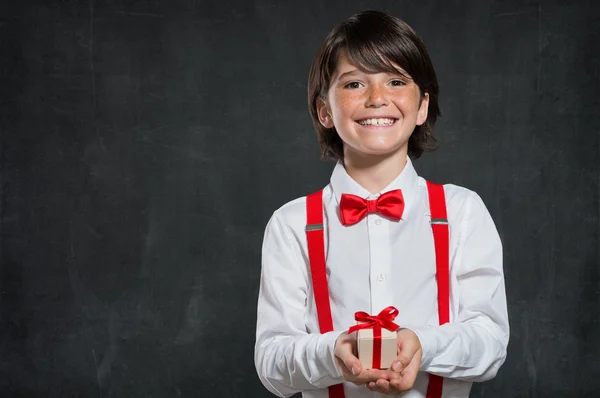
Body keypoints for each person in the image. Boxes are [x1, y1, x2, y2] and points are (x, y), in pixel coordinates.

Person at [254, 10, 509, 398]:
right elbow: (271, 362)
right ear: (324, 110)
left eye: (395, 81)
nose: (377, 99)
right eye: (354, 83)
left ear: (422, 105)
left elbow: (491, 342)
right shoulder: (291, 224)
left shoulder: (462, 212)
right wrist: (331, 354)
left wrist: (424, 346)